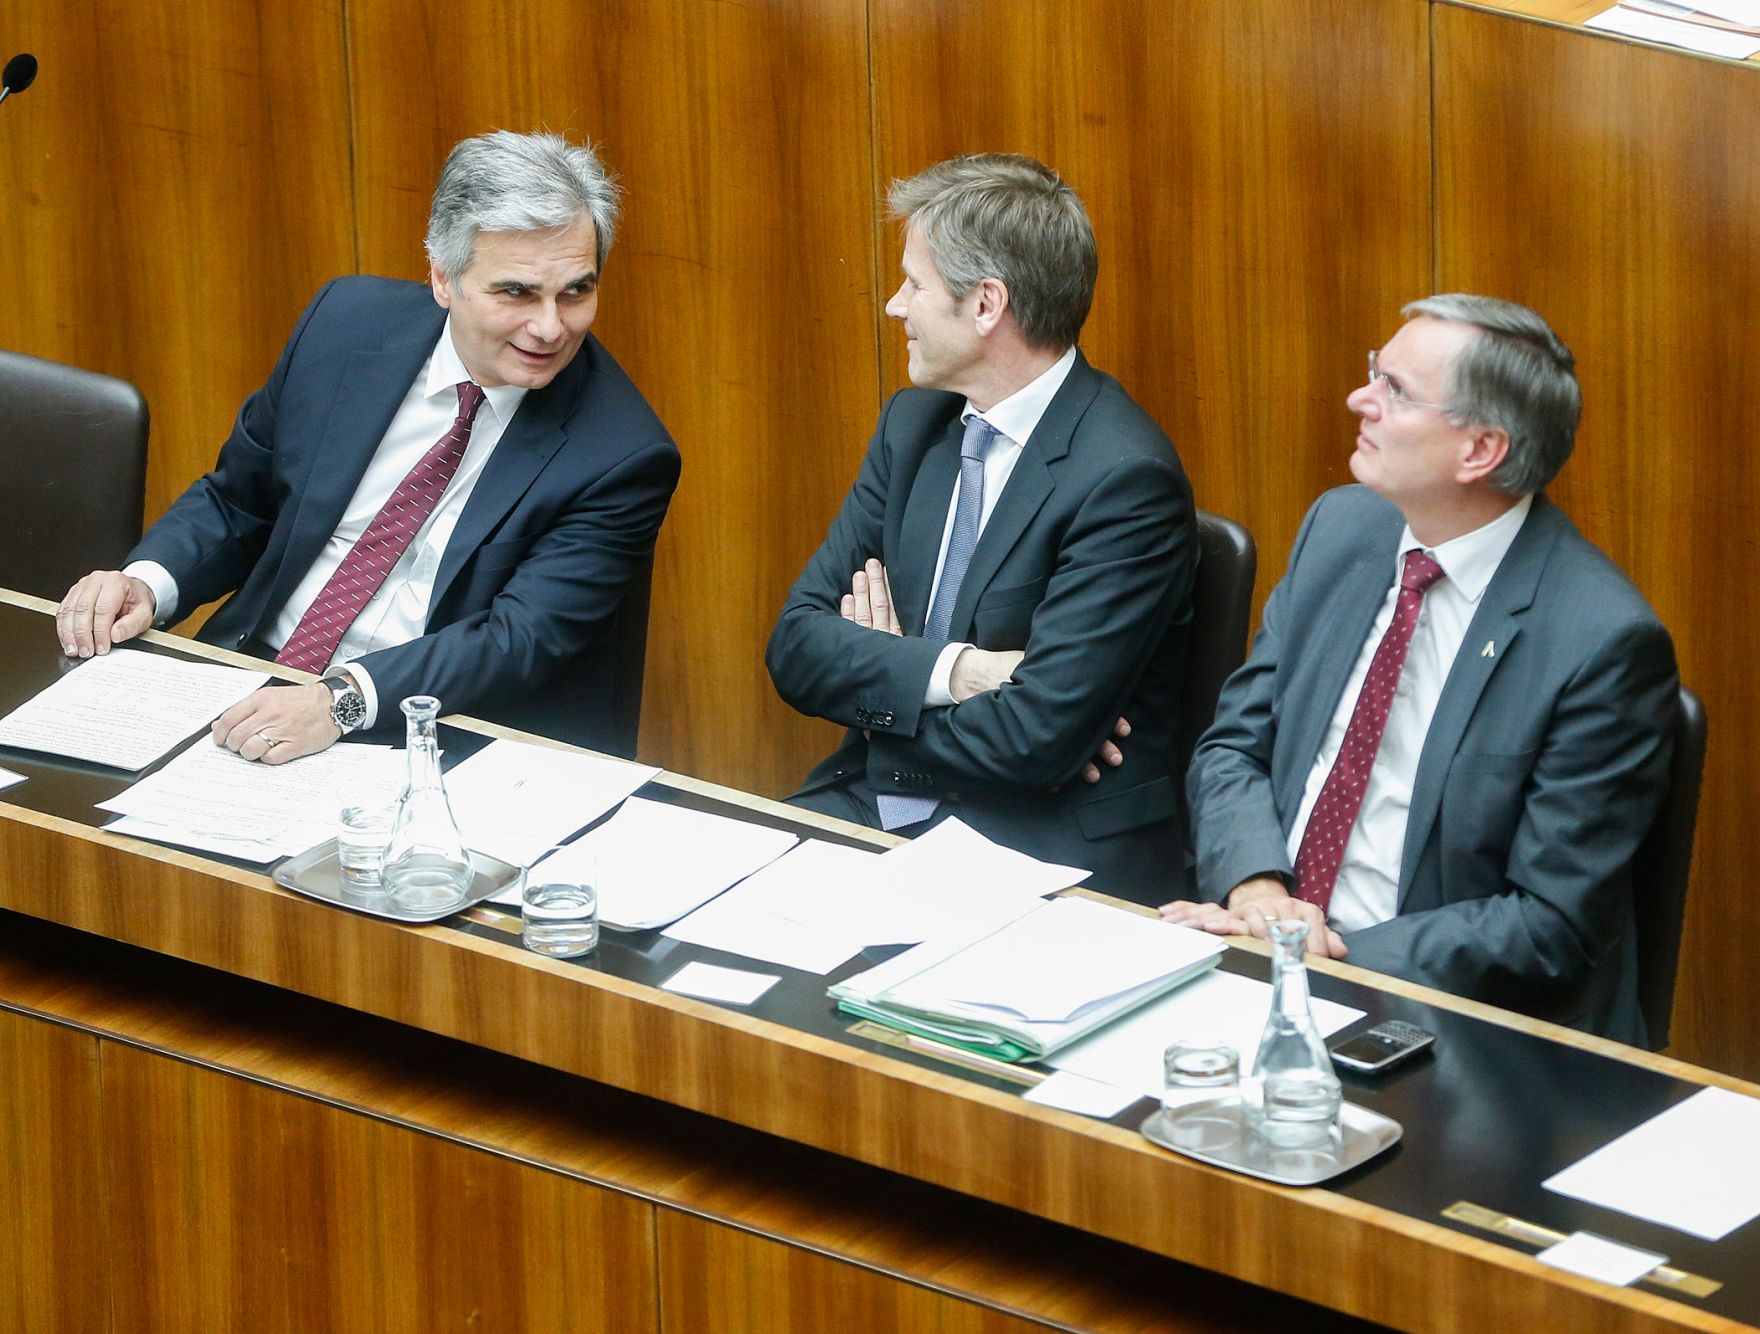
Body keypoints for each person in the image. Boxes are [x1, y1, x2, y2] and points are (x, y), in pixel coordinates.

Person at [55, 130, 679, 761]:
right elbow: (239, 501)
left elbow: (515, 639)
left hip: (433, 735)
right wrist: (149, 584)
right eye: (515, 292)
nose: (550, 327)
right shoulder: (345, 324)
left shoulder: (621, 455)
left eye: (576, 291)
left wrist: (339, 701)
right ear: (442, 276)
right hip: (248, 682)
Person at [1166, 294, 1676, 1044]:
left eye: (1396, 391)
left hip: (1446, 1016)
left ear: (1480, 450)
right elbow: (1234, 747)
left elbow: (1547, 924)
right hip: (1261, 947)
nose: (1359, 399)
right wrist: (1259, 889)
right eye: (1378, 373)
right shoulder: (1340, 528)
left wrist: (1320, 956)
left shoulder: (1601, 641)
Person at [766, 154, 1196, 903]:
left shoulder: (1125, 478)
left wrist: (884, 689)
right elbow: (796, 648)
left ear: (987, 304)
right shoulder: (915, 425)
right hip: (873, 809)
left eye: (916, 284)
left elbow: (1031, 742)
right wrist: (959, 673)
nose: (896, 305)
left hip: (1037, 844)